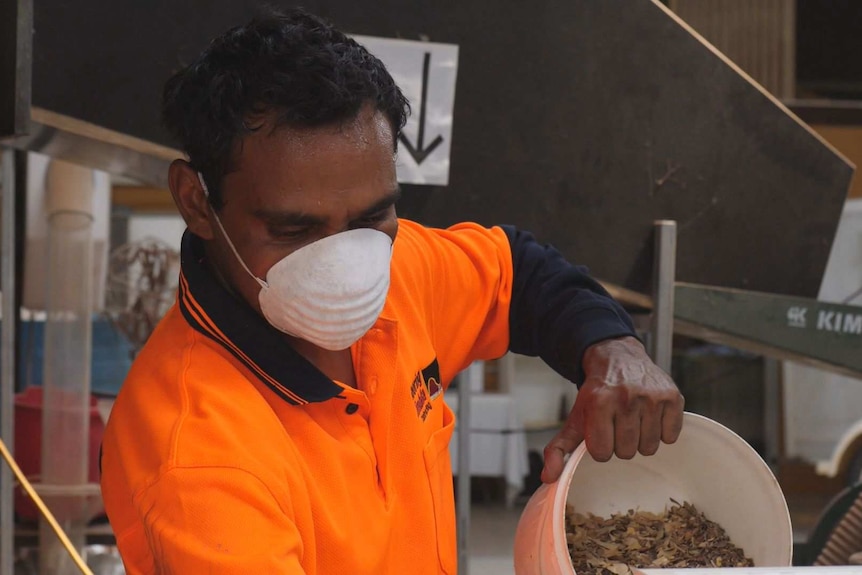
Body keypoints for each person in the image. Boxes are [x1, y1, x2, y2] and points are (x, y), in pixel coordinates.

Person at [100, 7, 684, 574]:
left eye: (371, 217)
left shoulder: (401, 270)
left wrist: (611, 347)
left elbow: (518, 272)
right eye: (293, 230)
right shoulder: (196, 458)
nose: (344, 267)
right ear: (196, 202)